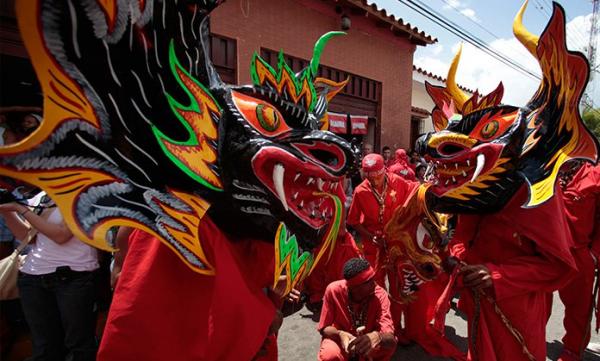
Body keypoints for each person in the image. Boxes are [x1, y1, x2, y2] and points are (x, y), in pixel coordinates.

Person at [447, 183, 576, 361]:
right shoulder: (477, 179)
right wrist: (456, 257)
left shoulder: (539, 185)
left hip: (517, 308)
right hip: (477, 301)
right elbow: (463, 235)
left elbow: (557, 265)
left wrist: (498, 275)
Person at [0, 194, 99, 361]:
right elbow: (27, 237)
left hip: (74, 277)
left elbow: (61, 235)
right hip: (33, 277)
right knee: (45, 347)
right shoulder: (39, 198)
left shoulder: (84, 195)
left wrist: (20, 209)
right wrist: (6, 211)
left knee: (79, 345)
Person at [551, 161, 600, 361]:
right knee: (533, 305)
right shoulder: (542, 166)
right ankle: (528, 343)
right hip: (543, 252)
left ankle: (572, 350)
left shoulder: (594, 175)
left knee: (578, 309)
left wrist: (594, 253)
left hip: (578, 255)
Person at [347, 154, 418, 285]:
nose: (374, 181)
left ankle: (396, 305)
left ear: (384, 170)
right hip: (374, 244)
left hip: (397, 241)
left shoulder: (397, 182)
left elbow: (416, 190)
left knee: (399, 279)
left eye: (377, 176)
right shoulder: (360, 191)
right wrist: (370, 236)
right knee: (375, 281)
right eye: (369, 177)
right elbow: (353, 221)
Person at [317, 258, 397, 361]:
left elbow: (391, 339)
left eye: (373, 278)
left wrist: (378, 337)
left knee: (386, 347)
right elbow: (324, 328)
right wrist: (340, 334)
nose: (374, 283)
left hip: (368, 344)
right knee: (329, 354)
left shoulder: (380, 295)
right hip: (342, 340)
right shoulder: (333, 290)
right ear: (353, 288)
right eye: (368, 281)